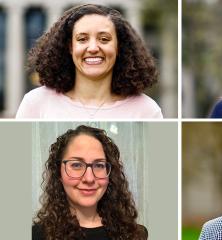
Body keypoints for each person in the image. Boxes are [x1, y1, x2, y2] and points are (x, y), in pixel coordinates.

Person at [16, 4, 162, 119]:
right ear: (70, 47)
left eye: (104, 39)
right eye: (82, 39)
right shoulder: (36, 103)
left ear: (118, 47)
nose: (93, 48)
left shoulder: (146, 110)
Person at [32, 125, 147, 240]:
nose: (89, 178)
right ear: (59, 173)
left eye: (99, 165)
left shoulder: (136, 234)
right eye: (76, 165)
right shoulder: (36, 235)